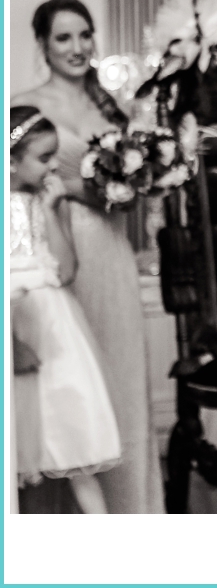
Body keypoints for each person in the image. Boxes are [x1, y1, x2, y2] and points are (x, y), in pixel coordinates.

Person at [13, 0, 165, 514]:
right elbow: (19, 190)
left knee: (118, 381)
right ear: (43, 45)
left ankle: (128, 513)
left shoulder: (113, 108)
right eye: (63, 38)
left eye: (85, 35)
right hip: (59, 255)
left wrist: (146, 177)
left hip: (111, 250)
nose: (78, 48)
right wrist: (82, 189)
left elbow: (133, 189)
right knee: (62, 392)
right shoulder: (25, 106)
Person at [9, 106, 121, 513]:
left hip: (55, 329)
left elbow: (66, 271)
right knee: (15, 446)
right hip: (15, 326)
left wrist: (53, 209)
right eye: (44, 157)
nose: (55, 165)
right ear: (10, 160)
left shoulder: (43, 201)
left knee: (72, 438)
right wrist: (13, 342)